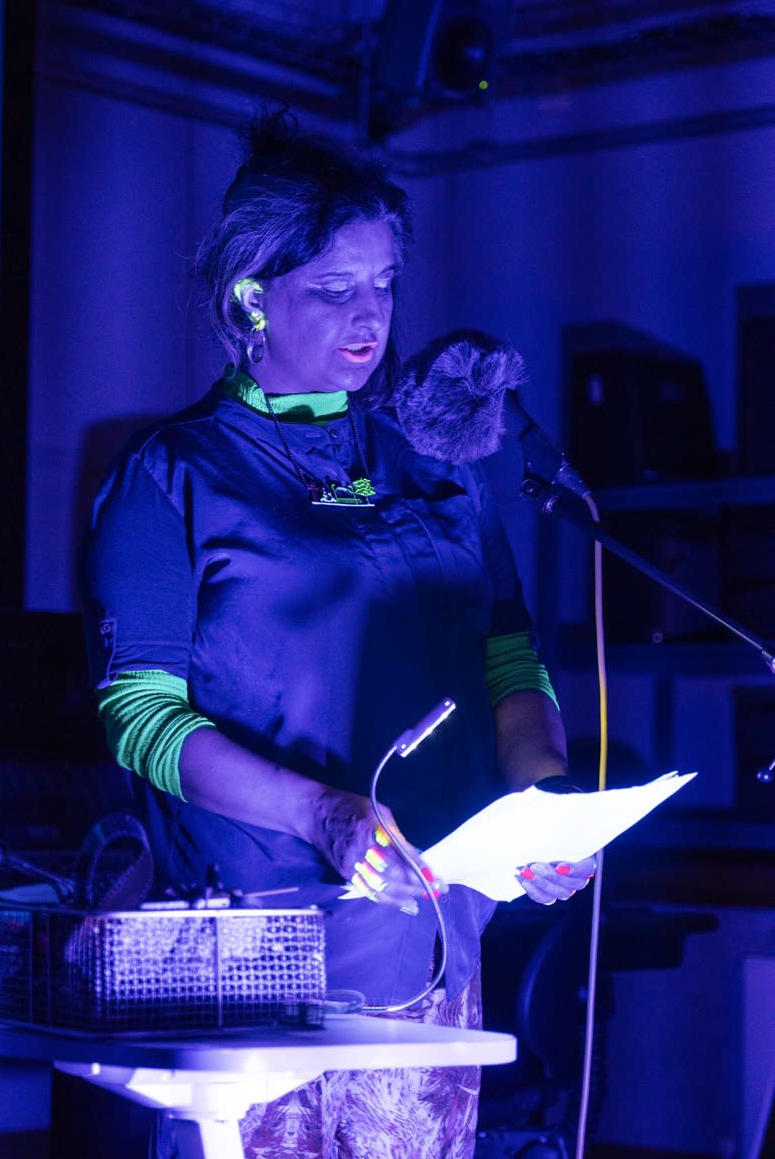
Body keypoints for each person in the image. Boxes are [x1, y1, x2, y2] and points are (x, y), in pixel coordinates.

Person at [80, 109, 595, 1159]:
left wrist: (540, 795)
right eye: (333, 289)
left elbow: (506, 651)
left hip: (432, 943)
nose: (370, 317)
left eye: (385, 284)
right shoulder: (173, 475)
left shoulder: (439, 465)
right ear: (250, 297)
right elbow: (138, 716)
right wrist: (319, 810)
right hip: (257, 953)